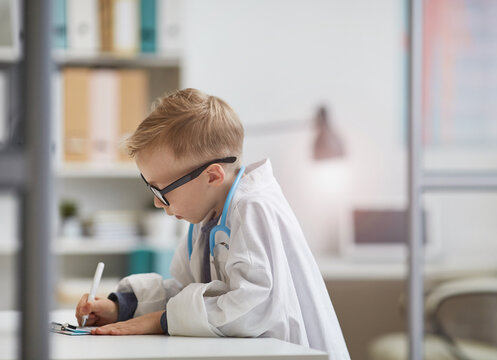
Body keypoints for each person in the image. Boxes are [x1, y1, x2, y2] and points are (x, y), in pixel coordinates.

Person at [75, 88, 350, 360]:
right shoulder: (205, 218)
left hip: (290, 352)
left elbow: (252, 306)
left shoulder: (253, 207)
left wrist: (162, 321)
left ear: (212, 176)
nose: (158, 204)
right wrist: (122, 306)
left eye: (162, 191)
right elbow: (185, 290)